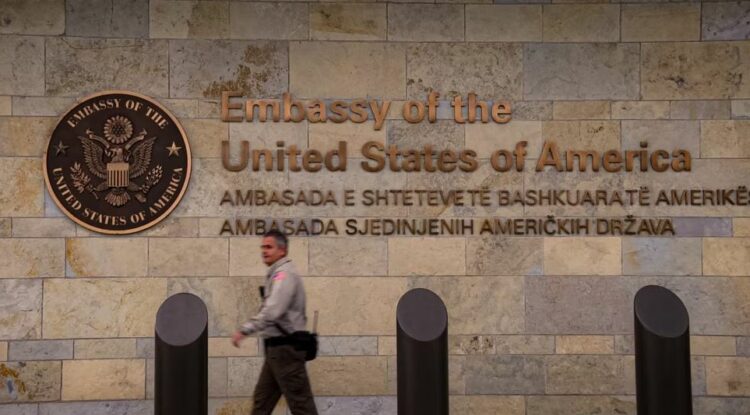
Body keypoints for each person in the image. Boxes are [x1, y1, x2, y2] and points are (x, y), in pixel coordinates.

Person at [231, 230, 318, 415]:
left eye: (269, 247)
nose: (264, 251)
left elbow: (273, 310)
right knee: (261, 403)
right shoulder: (277, 273)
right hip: (276, 351)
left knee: (302, 407)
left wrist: (245, 330)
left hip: (285, 350)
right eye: (263, 247)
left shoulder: (284, 275)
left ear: (282, 250)